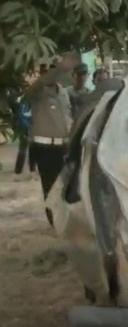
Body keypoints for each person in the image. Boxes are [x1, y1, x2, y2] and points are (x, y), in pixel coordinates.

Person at [25, 54, 79, 217]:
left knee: (67, 187)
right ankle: (54, 221)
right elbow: (41, 82)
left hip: (63, 147)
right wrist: (61, 67)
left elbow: (67, 117)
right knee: (50, 188)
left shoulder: (62, 91)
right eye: (49, 70)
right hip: (45, 149)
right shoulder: (37, 91)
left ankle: (64, 219)